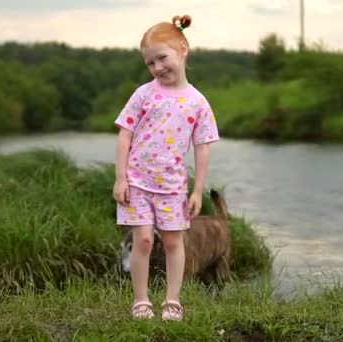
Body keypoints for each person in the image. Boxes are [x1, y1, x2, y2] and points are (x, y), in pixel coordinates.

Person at [113, 14, 219, 321]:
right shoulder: (144, 94)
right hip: (137, 182)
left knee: (173, 241)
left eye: (162, 58)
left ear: (182, 49)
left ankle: (173, 301)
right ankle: (141, 300)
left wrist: (197, 190)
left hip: (173, 186)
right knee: (143, 240)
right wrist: (121, 178)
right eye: (150, 63)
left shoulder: (198, 102)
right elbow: (125, 134)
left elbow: (202, 148)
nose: (158, 67)